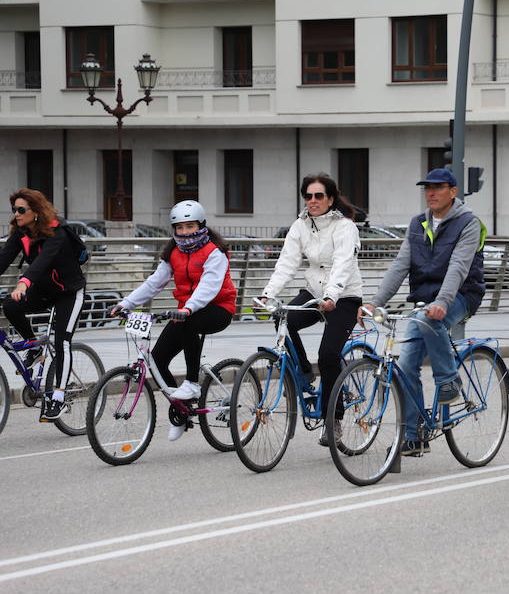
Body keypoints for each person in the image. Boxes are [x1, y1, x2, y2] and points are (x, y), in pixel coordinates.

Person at [359, 168, 485, 456]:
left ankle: (448, 381)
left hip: (461, 295)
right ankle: (414, 437)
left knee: (430, 318)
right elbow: (400, 266)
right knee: (404, 367)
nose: (431, 193)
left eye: (438, 187)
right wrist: (374, 302)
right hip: (423, 303)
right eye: (427, 188)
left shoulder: (468, 223)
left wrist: (442, 301)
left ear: (453, 191)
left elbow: (459, 267)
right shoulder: (417, 224)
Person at [112, 201, 237, 441]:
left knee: (190, 323)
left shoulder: (214, 252)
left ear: (201, 225)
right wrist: (125, 304)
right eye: (179, 228)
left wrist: (188, 308)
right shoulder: (173, 253)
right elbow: (154, 283)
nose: (184, 232)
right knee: (157, 360)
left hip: (218, 308)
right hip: (186, 312)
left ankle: (191, 383)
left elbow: (208, 287)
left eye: (190, 226)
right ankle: (181, 411)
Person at [260, 173, 363, 447]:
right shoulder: (300, 225)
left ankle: (334, 419)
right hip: (314, 292)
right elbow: (287, 263)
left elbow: (343, 264)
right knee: (283, 320)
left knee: (328, 355)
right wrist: (268, 294)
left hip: (344, 295)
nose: (313, 201)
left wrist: (332, 295)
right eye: (308, 196)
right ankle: (304, 373)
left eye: (319, 196)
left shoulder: (345, 227)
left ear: (330, 198)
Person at [0, 188, 87, 422]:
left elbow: (42, 261)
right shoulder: (20, 234)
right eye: (14, 210)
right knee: (10, 305)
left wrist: (23, 283)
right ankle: (34, 346)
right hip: (43, 291)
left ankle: (58, 396)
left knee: (62, 342)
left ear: (36, 212)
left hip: (69, 292)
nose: (16, 214)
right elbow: (3, 259)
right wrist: (23, 287)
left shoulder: (55, 232)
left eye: (21, 210)